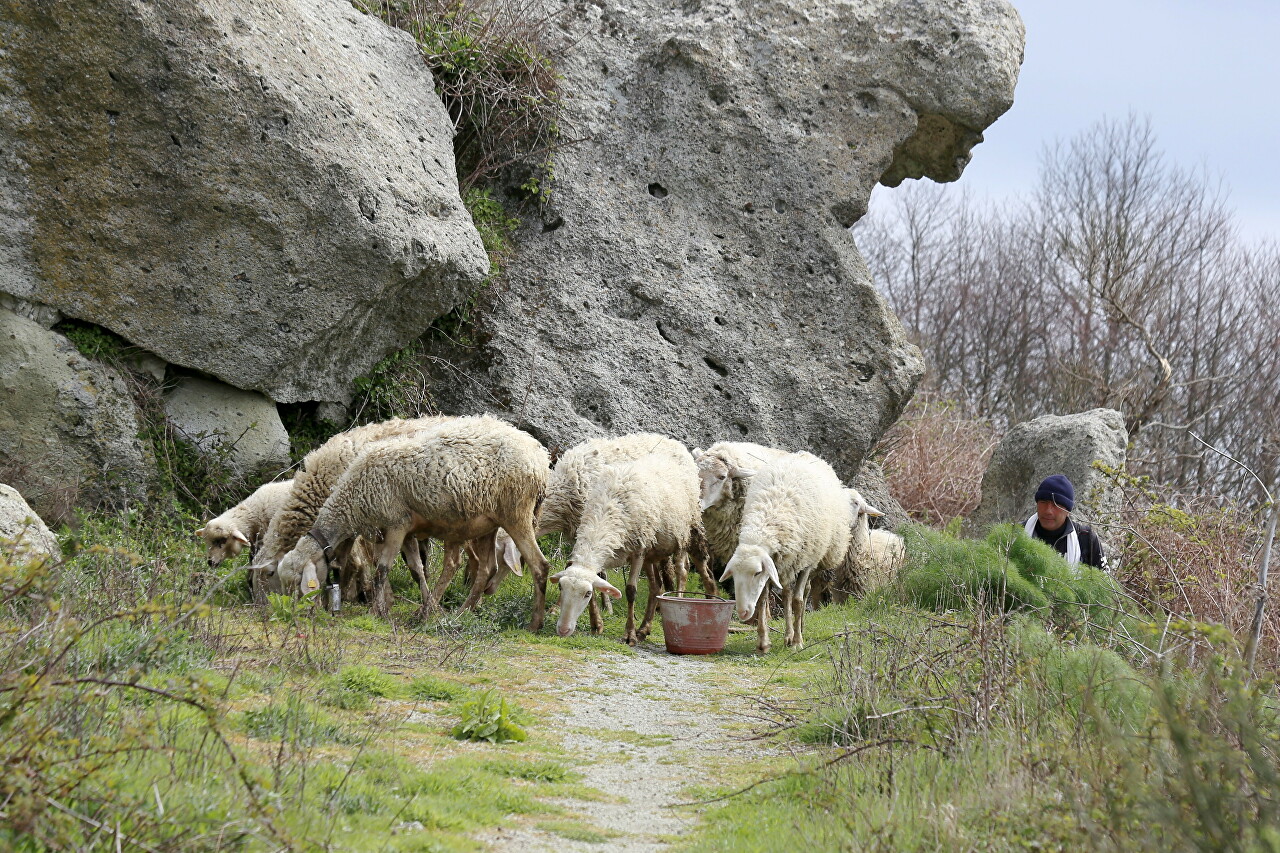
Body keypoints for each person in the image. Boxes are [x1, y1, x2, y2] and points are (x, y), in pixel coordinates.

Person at [1023, 474, 1108, 572]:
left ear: (1068, 511)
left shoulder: (1085, 538)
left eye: (1056, 505)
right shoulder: (1016, 533)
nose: (1048, 511)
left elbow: (1105, 582)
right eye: (1043, 502)